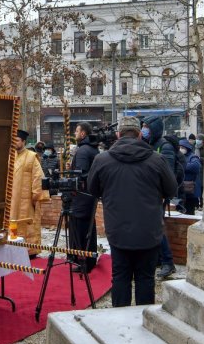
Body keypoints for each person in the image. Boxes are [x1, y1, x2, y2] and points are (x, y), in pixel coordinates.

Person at [87, 115, 178, 308]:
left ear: (119, 134)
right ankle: (143, 321)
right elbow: (171, 190)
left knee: (120, 276)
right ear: (139, 135)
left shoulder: (102, 160)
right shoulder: (157, 160)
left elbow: (93, 190)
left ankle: (121, 320)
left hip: (118, 230)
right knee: (146, 278)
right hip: (149, 231)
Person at [144, 117, 183, 280]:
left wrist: (162, 195)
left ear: (154, 128)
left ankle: (168, 262)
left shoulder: (164, 147)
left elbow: (168, 175)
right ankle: (159, 259)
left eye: (146, 126)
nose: (144, 129)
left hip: (158, 195)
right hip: (150, 193)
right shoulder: (150, 145)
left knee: (157, 228)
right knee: (152, 228)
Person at [67, 123, 100, 273]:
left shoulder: (83, 151)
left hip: (82, 196)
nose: (75, 133)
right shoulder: (92, 148)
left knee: (80, 228)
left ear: (83, 134)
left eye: (77, 130)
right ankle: (89, 260)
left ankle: (83, 261)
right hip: (90, 195)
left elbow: (80, 175)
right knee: (88, 227)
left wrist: (72, 174)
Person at [9, 130, 49, 248]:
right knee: (12, 223)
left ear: (23, 142)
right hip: (12, 199)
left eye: (17, 140)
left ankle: (29, 251)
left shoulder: (32, 157)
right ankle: (13, 247)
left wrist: (36, 196)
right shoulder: (10, 156)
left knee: (27, 225)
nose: (14, 143)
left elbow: (38, 177)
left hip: (26, 200)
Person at [179, 138, 202, 216]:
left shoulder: (193, 157)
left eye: (182, 147)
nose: (180, 149)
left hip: (190, 191)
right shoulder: (179, 156)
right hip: (181, 190)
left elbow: (196, 167)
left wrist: (181, 166)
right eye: (179, 147)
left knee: (189, 212)